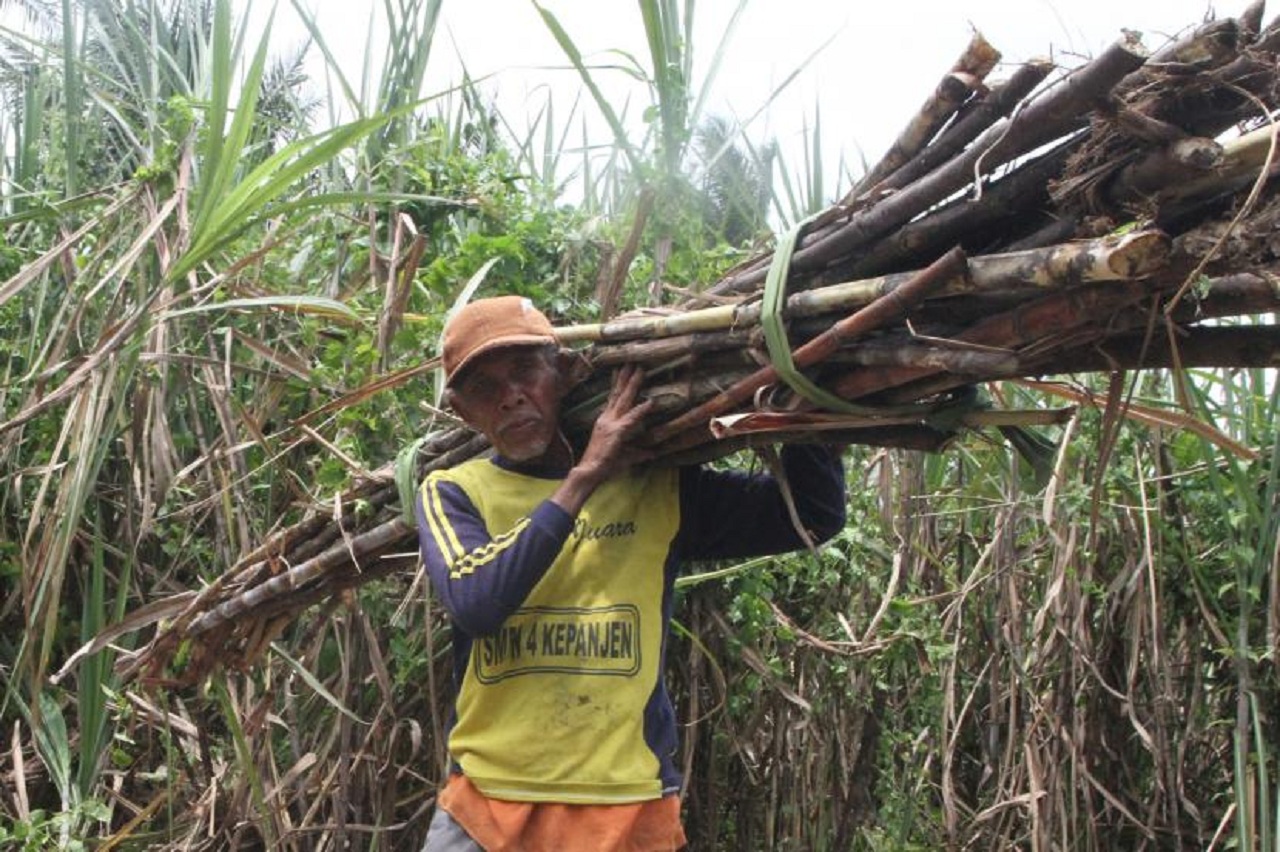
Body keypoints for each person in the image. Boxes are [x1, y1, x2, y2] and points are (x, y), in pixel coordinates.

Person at [414, 295, 847, 851]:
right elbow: (477, 601)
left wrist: (795, 387)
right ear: (462, 411)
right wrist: (587, 475)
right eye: (484, 388)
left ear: (564, 372)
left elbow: (810, 516)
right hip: (488, 810)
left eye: (525, 371)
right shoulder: (454, 492)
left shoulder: (656, 486)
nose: (511, 396)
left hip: (627, 808)